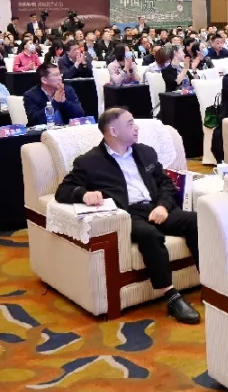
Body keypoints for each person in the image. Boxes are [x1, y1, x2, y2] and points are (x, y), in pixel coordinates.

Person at [55, 108, 200, 324]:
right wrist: (84, 194)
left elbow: (165, 183)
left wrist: (163, 206)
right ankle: (172, 297)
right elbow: (63, 190)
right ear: (113, 131)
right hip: (128, 214)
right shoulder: (90, 162)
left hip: (156, 207)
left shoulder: (145, 152)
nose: (137, 128)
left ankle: (210, 282)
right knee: (150, 235)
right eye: (130, 124)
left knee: (195, 220)